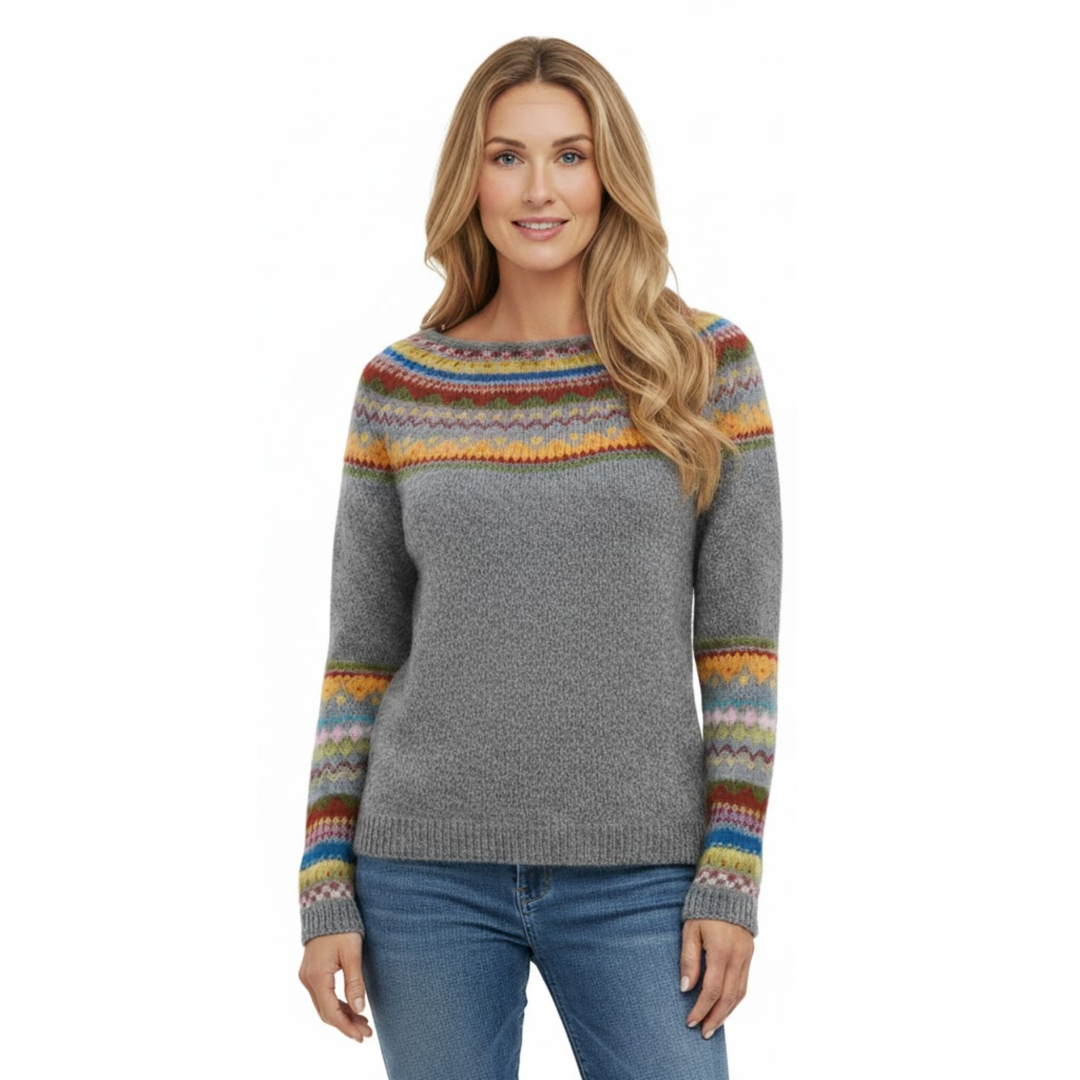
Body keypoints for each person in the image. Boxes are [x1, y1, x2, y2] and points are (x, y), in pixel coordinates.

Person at [296, 35, 783, 1080]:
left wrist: (732, 871)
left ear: (612, 175)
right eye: (506, 156)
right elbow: (361, 657)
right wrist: (324, 882)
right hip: (422, 871)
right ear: (468, 180)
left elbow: (740, 649)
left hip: (643, 876)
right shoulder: (402, 387)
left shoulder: (706, 368)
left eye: (570, 155)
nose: (538, 190)